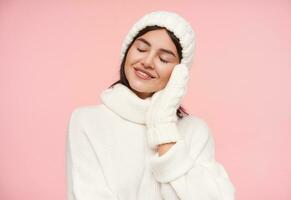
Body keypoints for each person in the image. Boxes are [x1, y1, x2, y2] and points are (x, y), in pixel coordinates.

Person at [66, 10, 235, 200]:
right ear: (127, 51)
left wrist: (163, 128)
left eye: (163, 59)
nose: (147, 62)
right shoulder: (87, 121)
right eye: (141, 49)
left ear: (179, 73)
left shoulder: (195, 130)